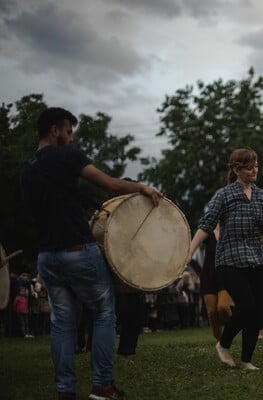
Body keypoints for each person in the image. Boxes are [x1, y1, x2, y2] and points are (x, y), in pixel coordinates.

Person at [20, 107, 162, 400]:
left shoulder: (28, 168)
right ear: (55, 130)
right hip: (77, 251)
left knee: (62, 323)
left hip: (47, 257)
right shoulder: (66, 156)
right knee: (103, 313)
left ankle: (65, 391)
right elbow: (109, 183)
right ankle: (102, 386)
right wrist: (142, 187)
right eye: (68, 132)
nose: (71, 139)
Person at [186, 148, 263, 371]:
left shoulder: (262, 196)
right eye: (249, 167)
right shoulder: (224, 195)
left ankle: (246, 360)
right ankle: (224, 344)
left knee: (257, 313)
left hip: (256, 261)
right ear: (236, 169)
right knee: (246, 307)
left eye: (256, 166)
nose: (255, 170)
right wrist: (188, 252)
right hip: (229, 261)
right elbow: (205, 226)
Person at [192, 227, 233, 342]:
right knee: (212, 313)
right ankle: (220, 342)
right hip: (208, 276)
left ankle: (234, 326)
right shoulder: (207, 232)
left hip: (225, 275)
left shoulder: (230, 230)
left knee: (223, 307)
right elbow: (193, 254)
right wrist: (199, 273)